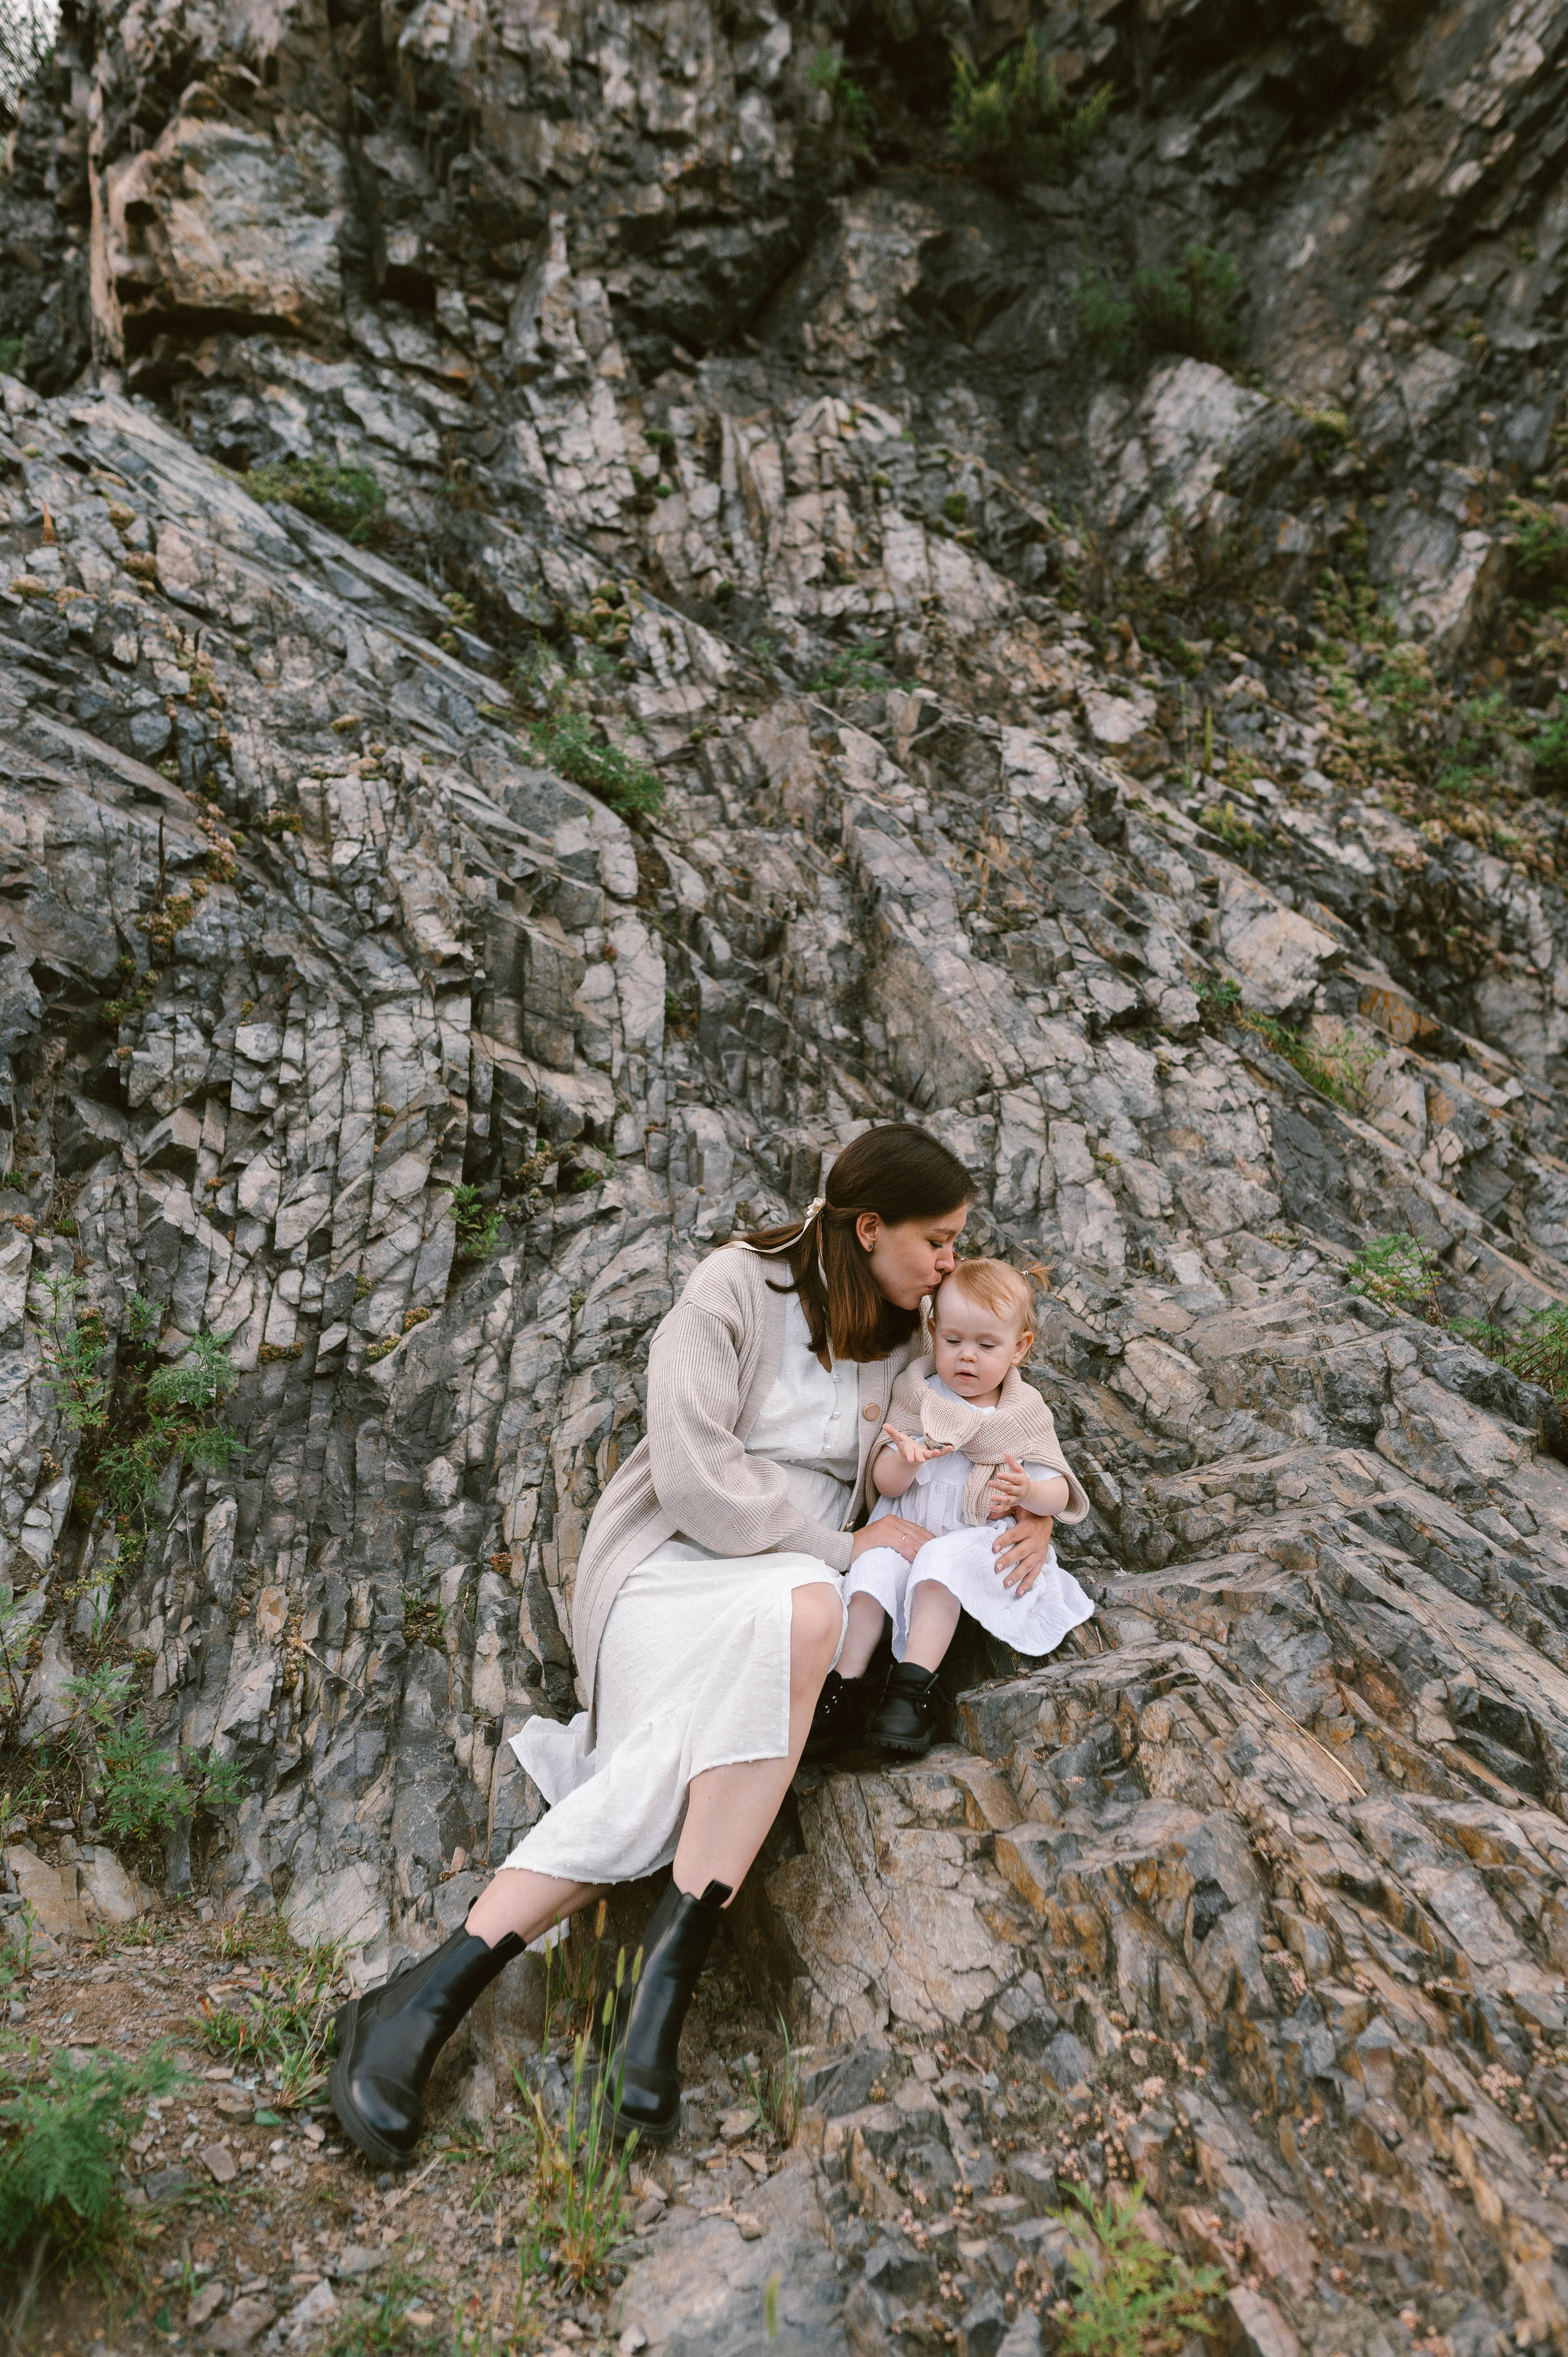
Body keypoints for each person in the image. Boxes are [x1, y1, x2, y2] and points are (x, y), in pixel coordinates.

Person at [328, 1126, 1060, 2165]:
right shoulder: (732, 1289)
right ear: (869, 1227)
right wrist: (838, 1542)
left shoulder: (916, 1338)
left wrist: (1036, 1509)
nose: (949, 1263)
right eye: (937, 1240)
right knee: (806, 1606)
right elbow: (693, 1473)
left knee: (779, 1640)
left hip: (793, 1592)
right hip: (674, 1567)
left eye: (957, 1246)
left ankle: (441, 1995)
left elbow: (1006, 1415)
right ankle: (619, 2007)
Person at [813, 1258, 1091, 1761]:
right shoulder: (917, 1394)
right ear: (932, 1332)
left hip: (974, 1539)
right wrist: (905, 1459)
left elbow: (1057, 1489)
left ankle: (910, 1689)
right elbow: (883, 1481)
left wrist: (1028, 1490)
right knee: (871, 1568)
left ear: (1019, 1348)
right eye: (953, 1341)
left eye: (986, 1346)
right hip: (908, 1530)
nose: (967, 1357)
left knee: (941, 1565)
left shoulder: (1021, 1412)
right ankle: (846, 1685)